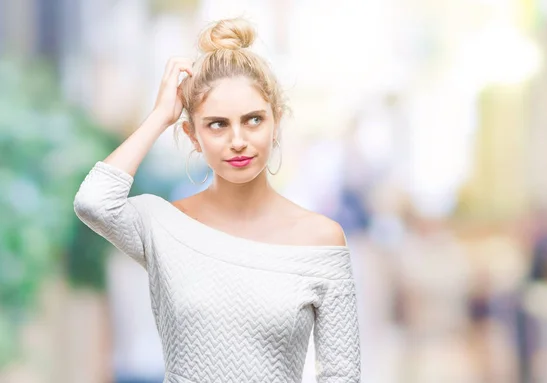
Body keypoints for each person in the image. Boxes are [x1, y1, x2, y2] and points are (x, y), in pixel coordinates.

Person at [73, 17, 361, 383]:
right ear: (192, 134)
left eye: (254, 120)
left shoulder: (320, 239)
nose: (238, 140)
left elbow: (342, 375)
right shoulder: (165, 225)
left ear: (276, 122)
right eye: (217, 124)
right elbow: (93, 202)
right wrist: (160, 116)